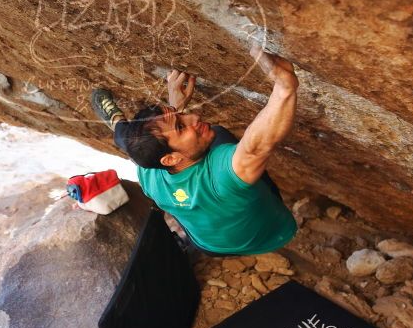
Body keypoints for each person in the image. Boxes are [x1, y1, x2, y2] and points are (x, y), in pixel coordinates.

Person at [91, 47, 299, 256]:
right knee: (218, 134)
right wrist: (285, 88)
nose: (195, 117)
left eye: (180, 117)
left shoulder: (148, 174)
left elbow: (128, 143)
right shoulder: (222, 175)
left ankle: (114, 118)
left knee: (126, 139)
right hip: (272, 234)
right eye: (181, 126)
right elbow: (256, 147)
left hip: (209, 246)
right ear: (170, 158)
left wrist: (174, 108)